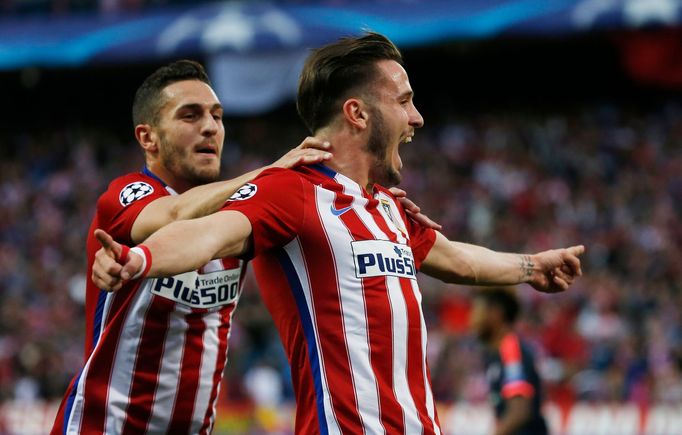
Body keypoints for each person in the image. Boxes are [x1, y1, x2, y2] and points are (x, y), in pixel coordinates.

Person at [93, 33, 584, 434]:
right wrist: (137, 261)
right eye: (405, 101)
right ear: (357, 113)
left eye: (218, 116)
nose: (416, 118)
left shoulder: (387, 207)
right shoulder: (288, 191)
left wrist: (530, 267)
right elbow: (207, 233)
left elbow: (456, 260)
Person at [50, 59, 337, 434]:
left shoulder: (239, 215)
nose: (210, 127)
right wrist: (273, 174)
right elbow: (174, 215)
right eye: (190, 116)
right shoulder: (125, 194)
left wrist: (376, 202)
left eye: (217, 117)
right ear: (147, 137)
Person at [471, 288, 549, 435]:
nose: (473, 320)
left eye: (478, 312)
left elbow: (519, 412)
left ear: (496, 313)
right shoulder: (496, 354)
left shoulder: (511, 352)